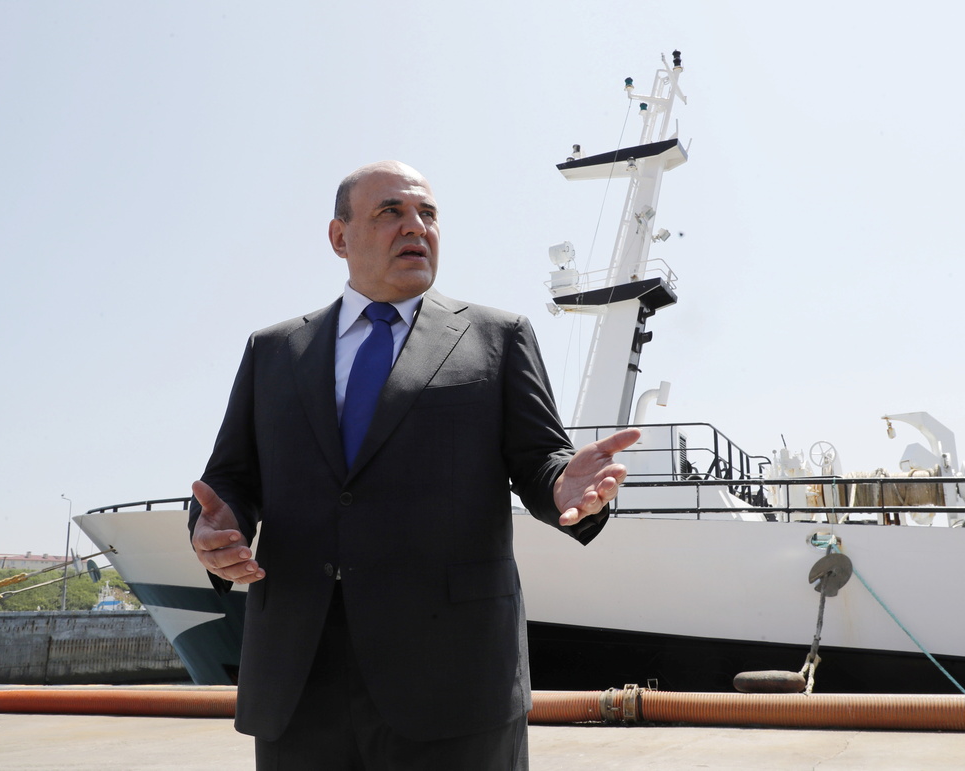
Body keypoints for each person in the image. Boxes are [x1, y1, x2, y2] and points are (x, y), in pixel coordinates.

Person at [189, 160, 640, 770]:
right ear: (339, 237)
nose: (416, 227)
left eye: (427, 213)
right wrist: (215, 527)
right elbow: (231, 480)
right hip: (300, 679)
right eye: (390, 212)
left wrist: (564, 484)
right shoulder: (273, 351)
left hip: (454, 678)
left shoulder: (498, 336)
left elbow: (540, 462)